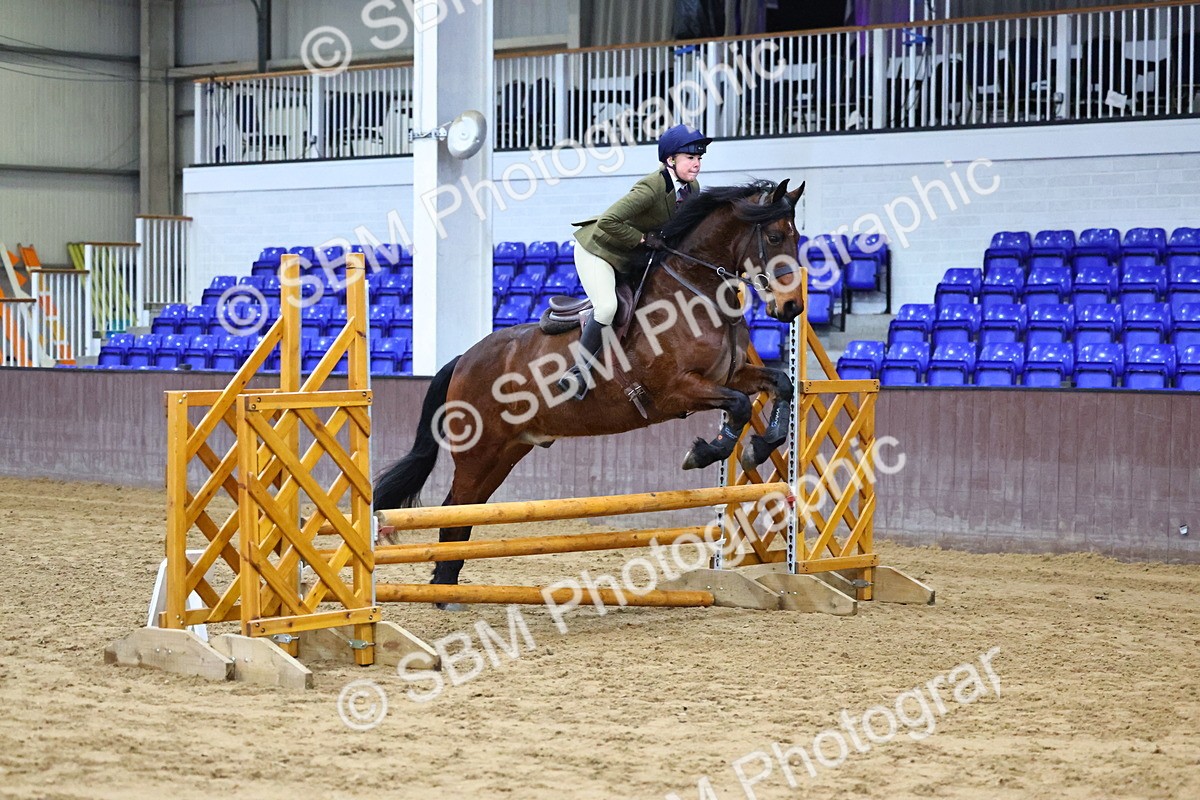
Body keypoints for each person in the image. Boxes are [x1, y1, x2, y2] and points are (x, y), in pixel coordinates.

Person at [558, 123, 712, 399]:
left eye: (699, 158)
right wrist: (642, 239)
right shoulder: (652, 187)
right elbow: (608, 221)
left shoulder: (693, 188)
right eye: (690, 158)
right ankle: (578, 373)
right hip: (600, 249)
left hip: (631, 257)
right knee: (606, 307)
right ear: (670, 160)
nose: (697, 164)